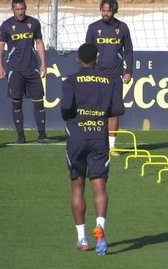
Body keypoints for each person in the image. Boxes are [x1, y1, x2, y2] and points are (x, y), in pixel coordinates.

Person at [61, 43, 125, 255]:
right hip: (99, 136)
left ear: (78, 60)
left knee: (77, 188)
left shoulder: (70, 80)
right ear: (97, 60)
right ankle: (100, 226)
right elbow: (117, 109)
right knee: (100, 187)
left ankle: (82, 238)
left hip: (77, 137)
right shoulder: (108, 81)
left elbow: (65, 108)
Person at [0, 0, 54, 144]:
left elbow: (39, 43)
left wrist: (43, 63)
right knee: (16, 102)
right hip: (15, 70)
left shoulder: (34, 23)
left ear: (25, 8)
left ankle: (42, 135)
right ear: (12, 10)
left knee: (39, 102)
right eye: (17, 9)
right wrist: (0, 65)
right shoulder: (6, 25)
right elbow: (1, 46)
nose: (20, 12)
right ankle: (20, 136)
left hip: (32, 69)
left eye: (22, 9)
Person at [85, 0, 133, 156]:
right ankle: (97, 144)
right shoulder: (93, 28)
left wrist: (128, 71)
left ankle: (112, 147)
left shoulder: (122, 28)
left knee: (114, 111)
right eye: (103, 10)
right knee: (97, 112)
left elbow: (128, 52)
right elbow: (87, 50)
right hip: (98, 76)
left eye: (109, 11)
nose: (105, 14)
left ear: (114, 11)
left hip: (115, 75)